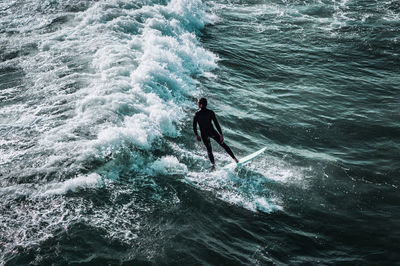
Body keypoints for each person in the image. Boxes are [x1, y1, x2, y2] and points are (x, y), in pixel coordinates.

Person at [193, 97, 238, 170]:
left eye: (198, 102)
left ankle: (213, 166)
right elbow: (216, 124)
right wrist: (221, 134)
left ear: (201, 105)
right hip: (212, 132)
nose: (197, 103)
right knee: (224, 145)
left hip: (204, 134)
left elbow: (194, 127)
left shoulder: (197, 114)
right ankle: (235, 159)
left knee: (209, 150)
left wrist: (197, 135)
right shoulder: (210, 112)